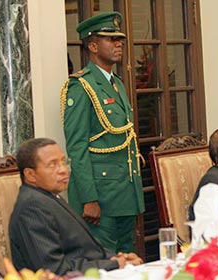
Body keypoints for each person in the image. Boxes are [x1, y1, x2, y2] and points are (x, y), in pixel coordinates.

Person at [60, 12, 144, 253]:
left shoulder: (116, 83)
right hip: (101, 199)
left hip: (124, 194)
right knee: (104, 265)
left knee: (127, 261)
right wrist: (89, 199)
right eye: (111, 39)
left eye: (120, 39)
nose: (119, 44)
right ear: (93, 46)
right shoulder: (81, 86)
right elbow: (77, 147)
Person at [9, 138, 143, 275]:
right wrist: (113, 264)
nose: (63, 170)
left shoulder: (48, 197)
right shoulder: (32, 206)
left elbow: (83, 248)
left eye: (63, 162)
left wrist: (116, 258)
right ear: (30, 175)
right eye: (52, 165)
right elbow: (53, 269)